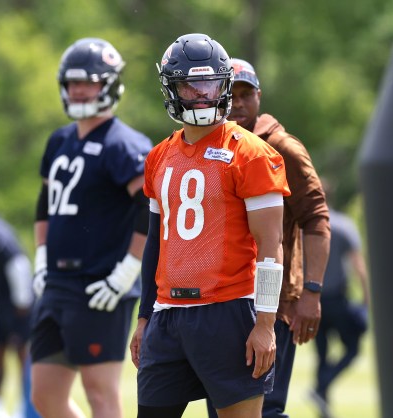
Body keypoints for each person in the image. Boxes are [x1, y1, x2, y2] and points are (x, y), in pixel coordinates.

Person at [128, 33, 290, 418]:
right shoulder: (159, 156)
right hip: (168, 314)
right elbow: (156, 243)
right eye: (190, 85)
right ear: (172, 88)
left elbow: (271, 244)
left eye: (210, 84)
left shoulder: (251, 153)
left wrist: (265, 322)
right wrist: (144, 317)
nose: (202, 96)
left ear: (225, 86)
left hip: (228, 311)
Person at [30, 38, 153, 418]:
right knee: (44, 396)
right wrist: (41, 256)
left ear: (110, 84)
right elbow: (45, 204)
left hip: (101, 285)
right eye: (72, 83)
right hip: (58, 283)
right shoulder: (60, 140)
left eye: (88, 82)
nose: (78, 90)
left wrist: (129, 270)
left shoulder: (124, 144)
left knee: (100, 393)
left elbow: (149, 206)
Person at [206, 58, 331, 418]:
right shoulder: (213, 146)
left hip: (271, 302)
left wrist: (311, 291)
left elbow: (317, 218)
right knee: (225, 409)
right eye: (231, 95)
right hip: (223, 301)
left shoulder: (281, 147)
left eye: (247, 94)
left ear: (259, 97)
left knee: (265, 409)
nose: (238, 103)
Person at [310, 178, 370, 418]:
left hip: (311, 299)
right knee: (353, 349)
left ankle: (321, 397)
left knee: (321, 354)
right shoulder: (344, 225)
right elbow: (359, 266)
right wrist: (366, 300)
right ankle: (322, 387)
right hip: (336, 299)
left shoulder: (306, 226)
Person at [0, 214, 34, 418]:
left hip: (17, 305)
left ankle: (25, 407)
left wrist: (22, 305)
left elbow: (18, 264)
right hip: (1, 306)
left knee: (22, 355)